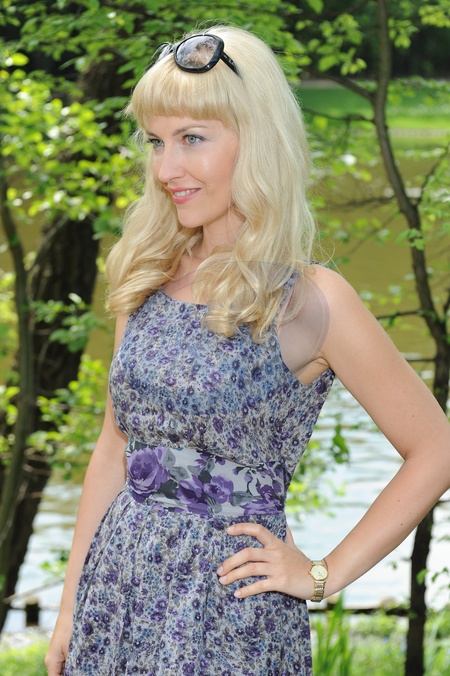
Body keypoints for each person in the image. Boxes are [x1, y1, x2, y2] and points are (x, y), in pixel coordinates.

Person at [45, 25, 450, 676]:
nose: (166, 169)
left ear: (256, 139)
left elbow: (437, 448)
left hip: (228, 620)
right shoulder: (147, 273)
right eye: (156, 141)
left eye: (192, 139)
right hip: (116, 593)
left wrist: (322, 574)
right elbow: (114, 448)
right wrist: (70, 608)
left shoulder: (311, 300)